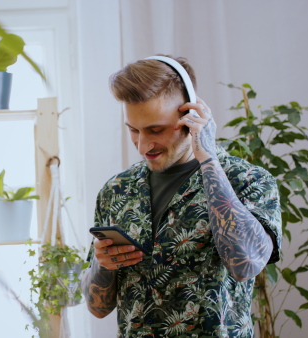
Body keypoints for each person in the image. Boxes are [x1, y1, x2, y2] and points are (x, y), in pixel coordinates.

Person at [81, 55, 281, 337]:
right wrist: (102, 265)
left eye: (156, 130)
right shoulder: (116, 190)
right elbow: (97, 308)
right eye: (133, 130)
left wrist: (208, 158)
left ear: (192, 117)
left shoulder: (248, 180)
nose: (142, 145)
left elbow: (245, 265)